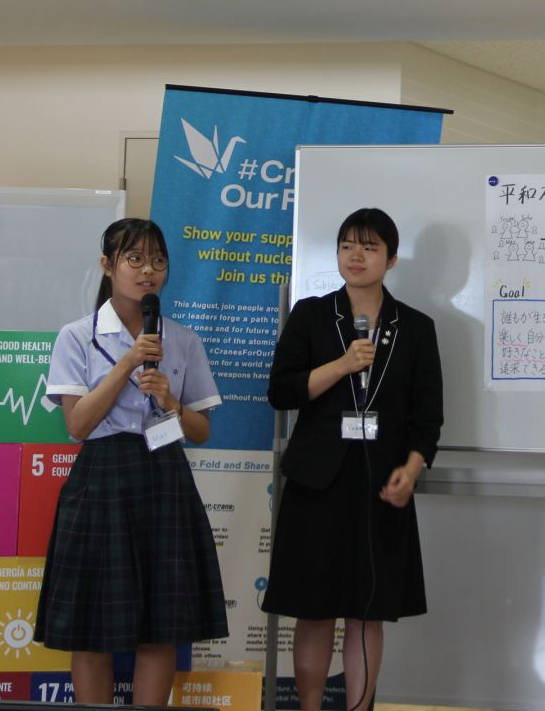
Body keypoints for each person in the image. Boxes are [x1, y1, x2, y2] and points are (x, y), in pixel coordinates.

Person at [35, 217, 227, 704]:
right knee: (92, 624)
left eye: (158, 261)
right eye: (135, 259)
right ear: (108, 266)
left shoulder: (183, 340)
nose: (148, 272)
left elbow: (201, 431)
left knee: (160, 624)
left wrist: (171, 402)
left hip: (164, 475)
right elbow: (77, 426)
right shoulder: (77, 336)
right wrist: (127, 363)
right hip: (101, 477)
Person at [263, 207, 443, 711]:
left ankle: (360, 707)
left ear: (391, 258)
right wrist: (342, 365)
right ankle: (309, 705)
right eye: (347, 245)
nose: (356, 256)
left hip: (380, 485)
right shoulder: (313, 314)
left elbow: (427, 419)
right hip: (317, 484)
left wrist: (410, 471)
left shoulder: (416, 327)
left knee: (367, 614)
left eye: (369, 247)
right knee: (314, 610)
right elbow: (281, 392)